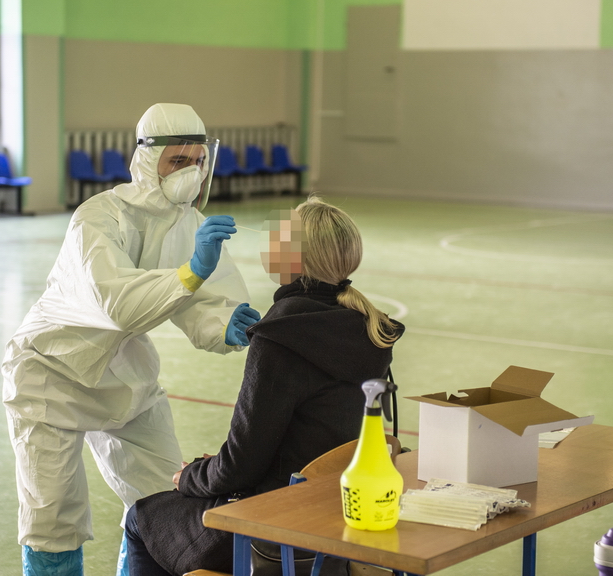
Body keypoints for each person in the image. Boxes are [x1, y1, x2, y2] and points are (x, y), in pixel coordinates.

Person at [2, 103, 262, 576]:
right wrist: (192, 272)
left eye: (198, 161)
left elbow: (201, 301)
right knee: (53, 517)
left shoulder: (188, 223)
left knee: (163, 500)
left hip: (124, 375)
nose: (191, 172)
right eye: (177, 161)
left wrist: (224, 324)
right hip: (50, 373)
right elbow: (117, 305)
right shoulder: (97, 218)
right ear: (147, 160)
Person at [124, 195, 405, 576]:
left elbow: (241, 465)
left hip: (274, 522)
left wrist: (192, 476)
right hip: (332, 506)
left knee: (142, 517)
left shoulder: (282, 335)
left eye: (278, 237)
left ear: (294, 259)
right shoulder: (366, 326)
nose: (268, 241)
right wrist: (216, 468)